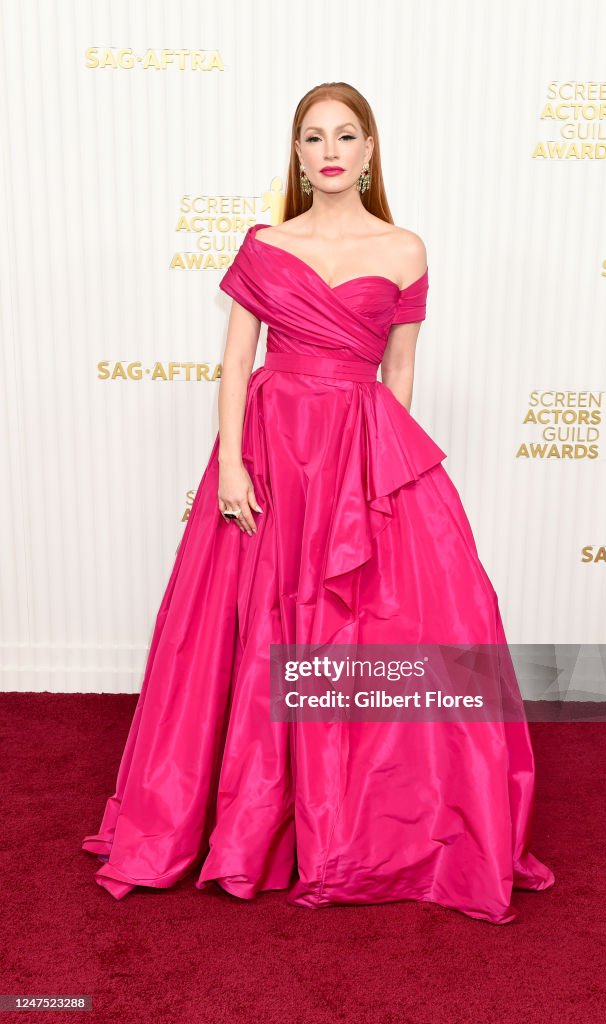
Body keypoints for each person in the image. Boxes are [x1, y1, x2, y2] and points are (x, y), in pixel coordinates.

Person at [82, 82, 555, 925]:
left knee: (396, 622)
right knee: (258, 624)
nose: (330, 150)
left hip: (362, 452)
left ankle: (363, 823)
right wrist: (231, 465)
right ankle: (254, 822)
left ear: (369, 151)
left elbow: (399, 370)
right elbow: (234, 362)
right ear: (296, 155)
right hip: (271, 446)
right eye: (313, 137)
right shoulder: (266, 243)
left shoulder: (405, 249)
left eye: (346, 135)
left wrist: (382, 480)